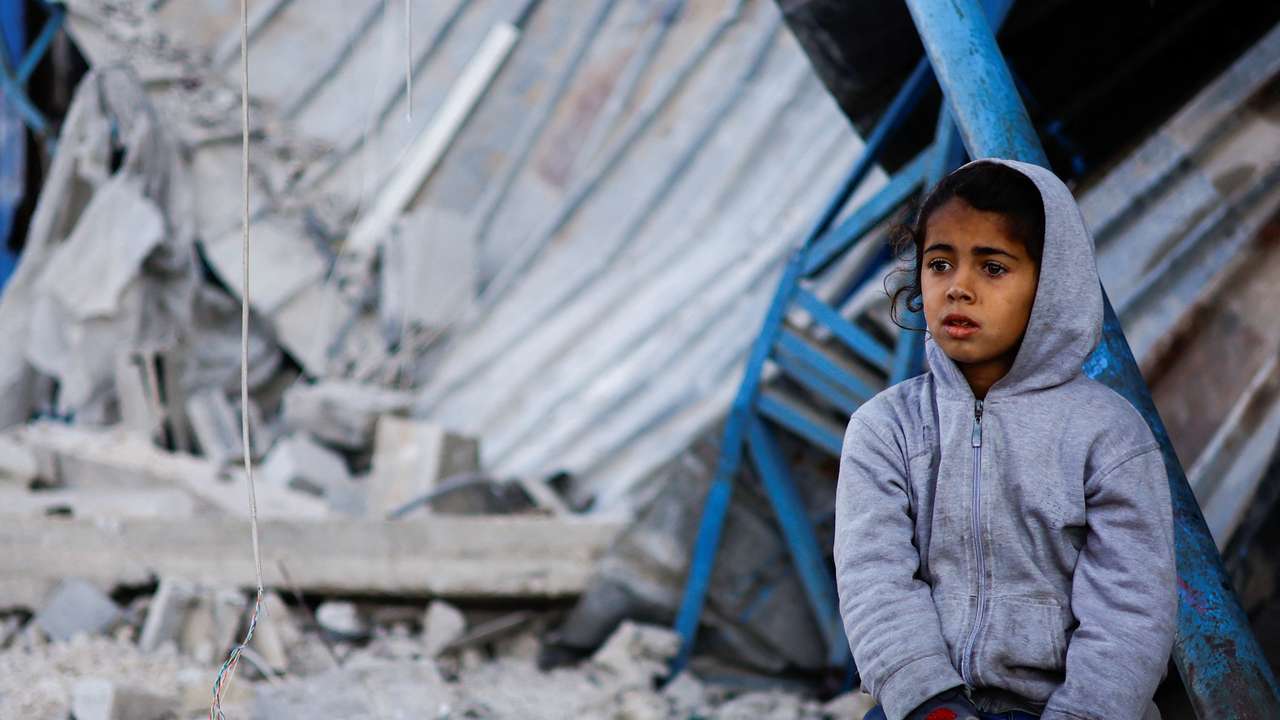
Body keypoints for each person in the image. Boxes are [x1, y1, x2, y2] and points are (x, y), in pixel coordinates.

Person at [833, 157, 1177, 720]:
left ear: (1051, 285)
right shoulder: (885, 428)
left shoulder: (1107, 435)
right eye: (939, 263)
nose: (958, 289)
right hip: (930, 706)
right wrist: (927, 699)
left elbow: (1132, 609)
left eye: (993, 268)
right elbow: (874, 579)